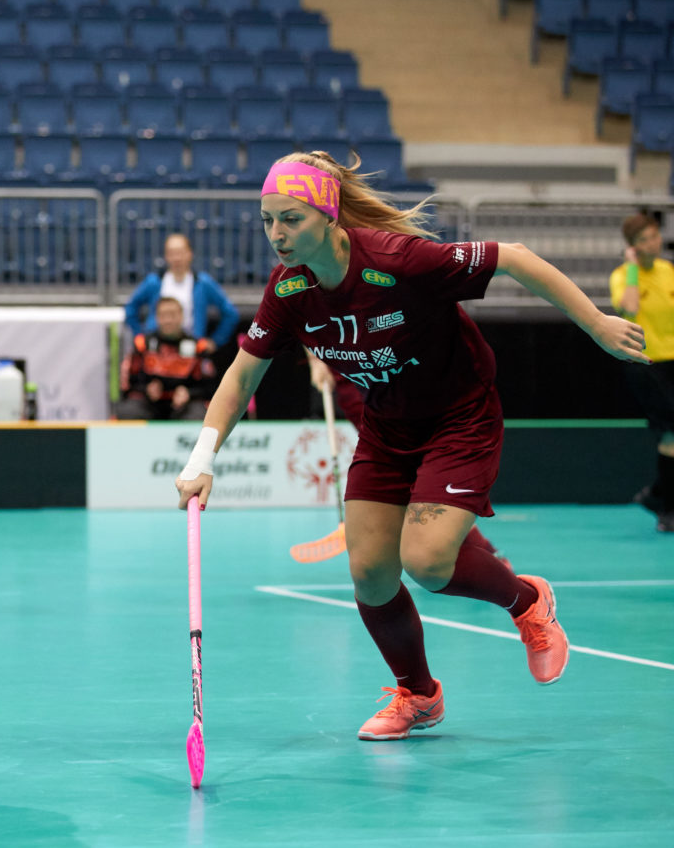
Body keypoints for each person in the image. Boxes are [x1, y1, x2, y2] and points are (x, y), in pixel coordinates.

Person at [175, 151, 648, 742]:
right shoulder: (290, 289)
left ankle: (527, 600)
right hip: (388, 427)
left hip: (459, 417)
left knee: (426, 561)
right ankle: (419, 696)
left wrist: (597, 324)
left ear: (329, 216)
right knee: (371, 574)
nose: (277, 234)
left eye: (291, 219)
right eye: (268, 220)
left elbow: (517, 258)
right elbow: (240, 378)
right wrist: (201, 460)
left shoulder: (397, 259)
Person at [307, 351, 510, 563]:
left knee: (421, 475)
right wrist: (315, 360)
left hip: (386, 379)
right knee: (406, 476)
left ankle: (481, 551)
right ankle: (471, 551)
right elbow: (305, 321)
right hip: (351, 384)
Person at [609, 213, 674, 533]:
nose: (655, 242)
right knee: (671, 432)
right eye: (645, 239)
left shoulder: (667, 271)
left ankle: (657, 496)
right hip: (647, 363)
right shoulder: (623, 275)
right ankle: (667, 508)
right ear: (632, 247)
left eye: (655, 235)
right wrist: (633, 268)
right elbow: (629, 309)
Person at [124, 232, 240, 354]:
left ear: (190, 254)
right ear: (166, 256)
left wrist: (215, 341)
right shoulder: (154, 282)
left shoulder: (203, 283)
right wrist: (139, 335)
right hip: (156, 348)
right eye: (172, 253)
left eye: (180, 252)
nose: (177, 258)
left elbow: (231, 313)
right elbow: (130, 307)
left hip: (190, 348)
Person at [117, 296, 216, 420]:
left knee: (200, 414)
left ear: (181, 316)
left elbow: (211, 387)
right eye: (163, 315)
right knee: (127, 411)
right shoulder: (142, 344)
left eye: (172, 315)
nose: (168, 320)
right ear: (157, 317)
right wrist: (146, 390)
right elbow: (127, 384)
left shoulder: (198, 347)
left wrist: (189, 393)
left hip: (185, 406)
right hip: (149, 405)